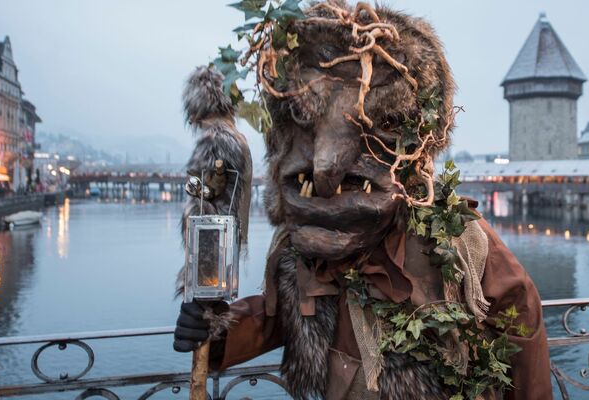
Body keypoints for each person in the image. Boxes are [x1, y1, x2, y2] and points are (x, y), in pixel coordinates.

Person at [173, 1, 553, 399]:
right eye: (306, 125)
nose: (325, 166)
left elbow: (519, 322)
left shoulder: (458, 243)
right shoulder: (301, 253)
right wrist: (215, 332)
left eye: (373, 127)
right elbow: (278, 317)